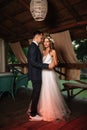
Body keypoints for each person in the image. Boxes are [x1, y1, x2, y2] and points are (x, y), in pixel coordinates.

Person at [37, 36, 71, 121]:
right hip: (43, 73)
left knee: (50, 91)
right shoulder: (43, 51)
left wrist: (51, 65)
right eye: (44, 41)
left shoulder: (53, 51)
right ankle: (44, 109)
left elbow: (55, 63)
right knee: (43, 91)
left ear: (50, 43)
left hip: (49, 74)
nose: (45, 43)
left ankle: (52, 111)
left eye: (47, 41)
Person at [27, 31, 54, 121]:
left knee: (35, 93)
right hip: (36, 75)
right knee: (36, 94)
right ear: (37, 37)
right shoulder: (33, 47)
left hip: (36, 74)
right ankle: (33, 115)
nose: (42, 40)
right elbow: (34, 62)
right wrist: (47, 66)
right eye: (41, 38)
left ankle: (31, 110)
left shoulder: (34, 47)